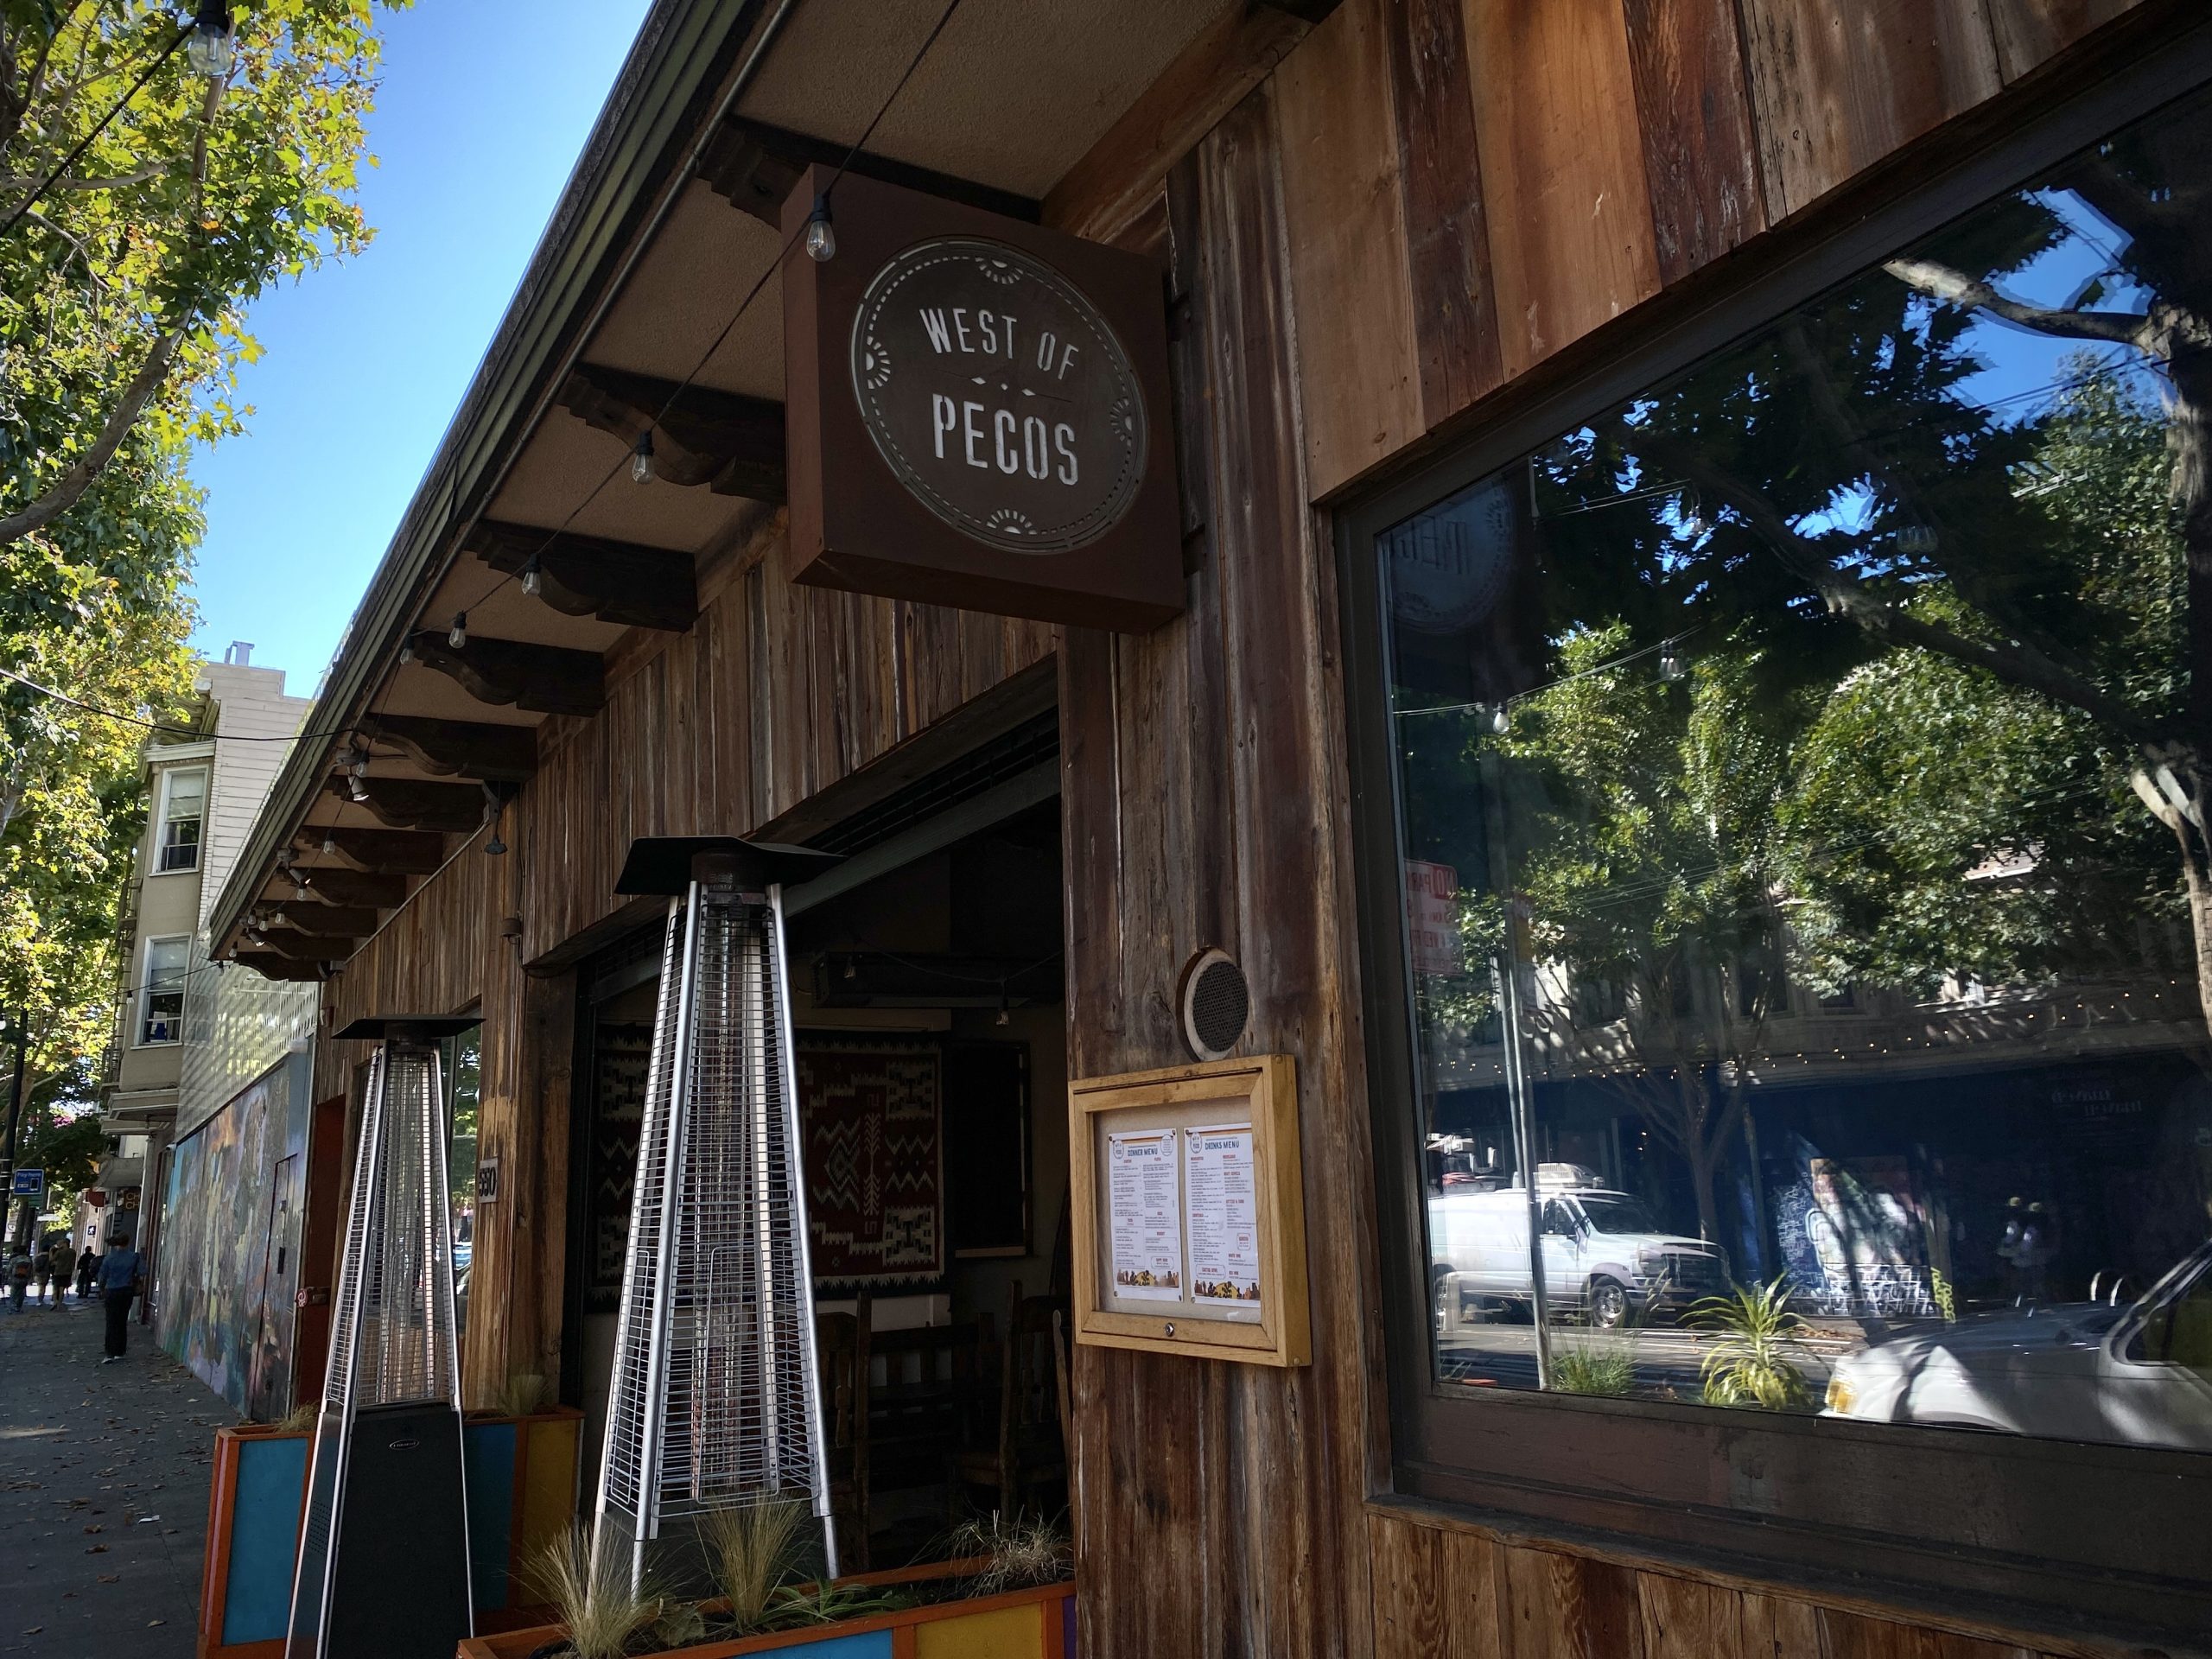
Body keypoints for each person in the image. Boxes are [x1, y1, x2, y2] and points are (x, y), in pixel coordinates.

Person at [97, 1233, 143, 1362]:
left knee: (111, 1321)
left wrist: (101, 1289)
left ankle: (110, 1352)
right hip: (127, 1290)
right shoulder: (134, 1257)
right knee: (122, 1321)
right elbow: (142, 1271)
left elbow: (102, 1276)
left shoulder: (109, 1258)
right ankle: (120, 1351)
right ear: (128, 1242)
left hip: (111, 1291)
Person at [48, 1239, 76, 1309]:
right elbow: (73, 1263)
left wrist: (51, 1251)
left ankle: (55, 1302)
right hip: (67, 1272)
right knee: (62, 1289)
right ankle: (59, 1305)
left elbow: (51, 1260)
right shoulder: (73, 1252)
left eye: (60, 1243)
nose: (59, 1245)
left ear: (64, 1243)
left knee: (55, 1288)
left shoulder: (59, 1252)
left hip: (58, 1271)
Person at [6, 1246, 28, 1313]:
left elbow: (9, 1269)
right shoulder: (28, 1260)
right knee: (21, 1292)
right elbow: (30, 1270)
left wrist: (7, 1275)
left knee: (13, 1292)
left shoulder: (14, 1260)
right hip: (24, 1278)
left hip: (15, 1278)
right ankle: (18, 1307)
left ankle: (12, 1306)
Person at [30, 1241, 52, 1307]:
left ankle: (40, 1300)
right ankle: (40, 1299)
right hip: (46, 1273)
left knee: (40, 1286)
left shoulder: (37, 1257)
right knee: (43, 1287)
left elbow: (34, 1265)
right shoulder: (49, 1257)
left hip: (38, 1273)